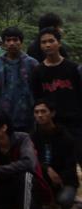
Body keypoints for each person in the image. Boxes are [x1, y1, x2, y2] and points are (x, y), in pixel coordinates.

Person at [30, 26, 82, 157]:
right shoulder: (37, 72)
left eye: (51, 41)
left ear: (59, 43)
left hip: (74, 123)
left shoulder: (73, 68)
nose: (48, 45)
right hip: (51, 124)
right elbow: (37, 98)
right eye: (44, 42)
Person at [30, 99, 78, 209]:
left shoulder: (66, 137)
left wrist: (60, 178)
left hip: (63, 180)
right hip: (42, 177)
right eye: (36, 112)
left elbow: (71, 165)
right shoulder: (33, 136)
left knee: (65, 199)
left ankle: (65, 208)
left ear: (52, 113)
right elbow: (30, 159)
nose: (39, 115)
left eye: (43, 111)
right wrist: (47, 169)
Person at [0, 27, 38, 132]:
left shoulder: (32, 64)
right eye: (8, 40)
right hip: (3, 117)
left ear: (21, 42)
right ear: (4, 43)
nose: (12, 43)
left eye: (15, 40)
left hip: (28, 117)